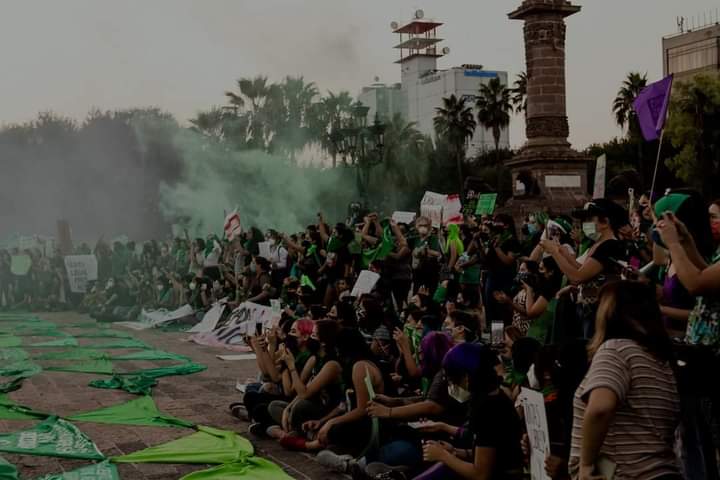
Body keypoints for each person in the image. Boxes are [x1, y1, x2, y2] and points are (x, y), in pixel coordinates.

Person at [569, 281, 681, 480]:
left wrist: (585, 465)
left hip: (626, 473)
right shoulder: (660, 360)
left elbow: (600, 408)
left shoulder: (616, 349)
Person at [417, 343, 524, 480]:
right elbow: (488, 453)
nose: (451, 386)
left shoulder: (488, 410)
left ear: (466, 378)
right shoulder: (492, 398)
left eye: (451, 380)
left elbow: (481, 473)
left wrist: (443, 456)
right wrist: (454, 451)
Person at [543, 199, 628, 338]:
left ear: (605, 222)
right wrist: (563, 254)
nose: (585, 224)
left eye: (589, 219)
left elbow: (577, 277)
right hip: (587, 307)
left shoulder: (610, 246)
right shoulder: (599, 243)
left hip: (598, 309)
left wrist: (554, 253)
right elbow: (585, 270)